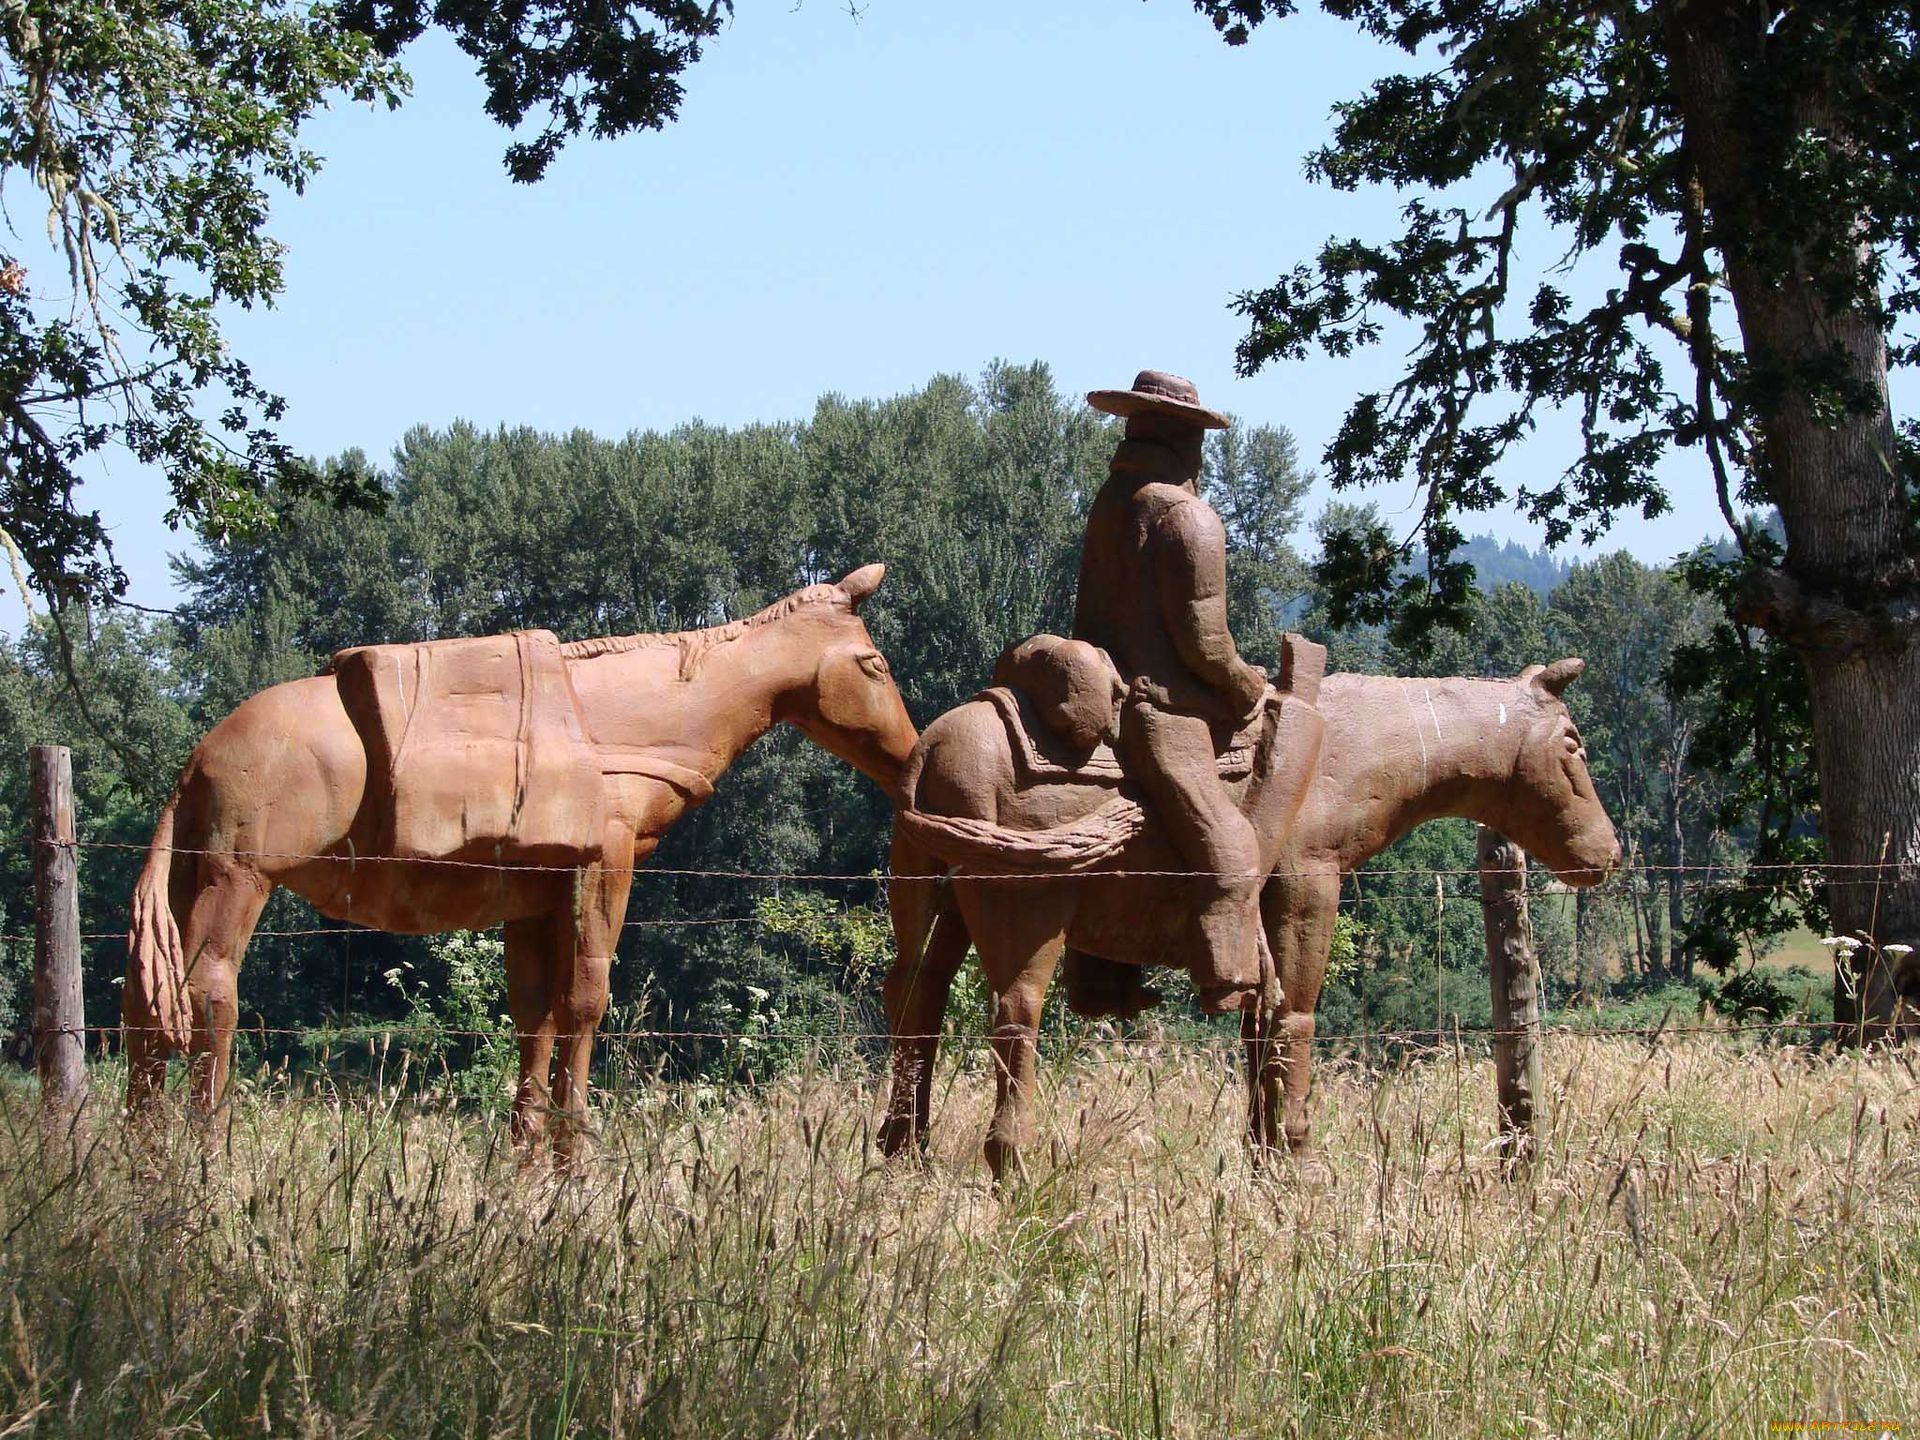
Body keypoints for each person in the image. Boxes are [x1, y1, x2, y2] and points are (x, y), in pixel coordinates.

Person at [1073, 370, 1268, 1013]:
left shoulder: (1110, 503)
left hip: (1098, 687)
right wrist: (1246, 687)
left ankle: (1100, 972)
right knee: (1229, 841)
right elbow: (1205, 642)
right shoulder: (1188, 518)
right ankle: (1226, 976)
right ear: (1187, 443)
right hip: (1159, 708)